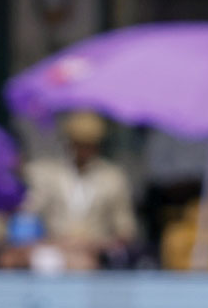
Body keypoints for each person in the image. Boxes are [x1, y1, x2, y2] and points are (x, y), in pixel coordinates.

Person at [18, 110, 136, 270]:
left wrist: (95, 245)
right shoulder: (49, 174)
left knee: (82, 263)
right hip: (54, 246)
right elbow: (29, 213)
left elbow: (125, 229)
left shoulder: (112, 178)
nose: (83, 150)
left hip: (94, 252)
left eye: (89, 144)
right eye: (79, 143)